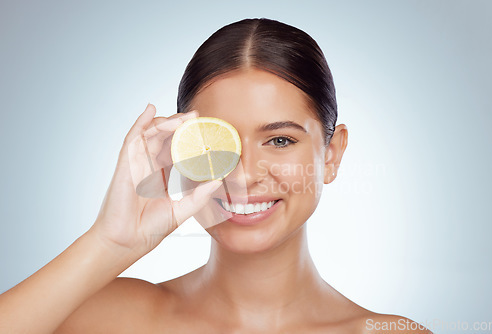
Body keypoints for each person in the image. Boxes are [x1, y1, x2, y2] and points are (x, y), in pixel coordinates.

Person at [0, 18, 431, 333]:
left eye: (279, 140)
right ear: (182, 149)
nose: (242, 177)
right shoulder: (103, 318)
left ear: (332, 154)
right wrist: (109, 244)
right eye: (218, 144)